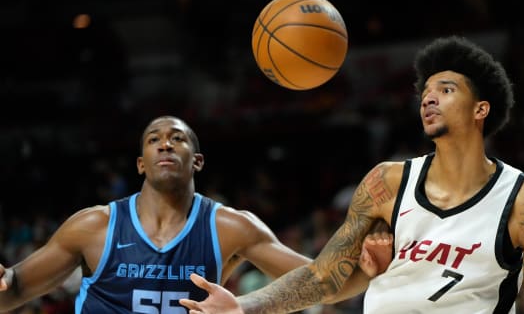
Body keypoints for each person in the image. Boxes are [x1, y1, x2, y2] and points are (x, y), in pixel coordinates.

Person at [178, 35, 524, 314]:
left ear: (481, 110)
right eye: (426, 91)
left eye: (446, 90)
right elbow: (321, 279)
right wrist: (243, 306)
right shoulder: (388, 183)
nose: (428, 98)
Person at [0, 115, 390, 313]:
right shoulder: (93, 226)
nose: (165, 144)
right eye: (154, 140)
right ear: (141, 163)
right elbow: (14, 290)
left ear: (197, 160)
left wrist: (366, 271)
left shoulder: (230, 228)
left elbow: (323, 282)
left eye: (177, 139)